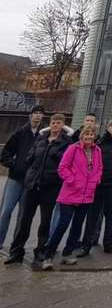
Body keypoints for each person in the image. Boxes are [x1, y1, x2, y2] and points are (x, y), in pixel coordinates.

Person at [5, 114, 71, 266]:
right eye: (53, 122)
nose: (55, 125)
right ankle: (16, 251)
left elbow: (65, 162)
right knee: (24, 220)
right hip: (33, 184)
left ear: (63, 125)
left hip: (50, 186)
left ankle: (40, 251)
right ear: (50, 124)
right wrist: (28, 170)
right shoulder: (41, 139)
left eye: (58, 123)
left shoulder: (66, 143)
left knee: (45, 221)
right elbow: (30, 157)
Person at [39, 125, 103, 269]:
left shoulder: (97, 151)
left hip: (87, 194)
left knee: (77, 226)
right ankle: (48, 255)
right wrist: (72, 180)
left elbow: (99, 168)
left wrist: (96, 180)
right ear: (81, 136)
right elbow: (62, 167)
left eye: (91, 134)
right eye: (86, 134)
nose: (88, 137)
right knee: (62, 225)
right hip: (71, 193)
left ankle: (67, 254)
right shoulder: (73, 148)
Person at [77, 118, 112, 256]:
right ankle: (86, 245)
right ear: (107, 128)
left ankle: (109, 243)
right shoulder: (100, 143)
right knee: (93, 216)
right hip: (99, 184)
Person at [0, 104, 44, 253]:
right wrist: (14, 165)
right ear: (31, 115)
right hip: (15, 178)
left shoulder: (43, 135)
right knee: (6, 211)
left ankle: (16, 246)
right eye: (35, 112)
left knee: (23, 215)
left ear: (43, 116)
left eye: (40, 113)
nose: (37, 115)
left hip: (30, 181)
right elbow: (5, 154)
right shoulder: (20, 132)